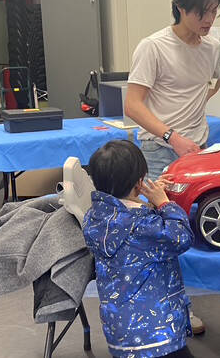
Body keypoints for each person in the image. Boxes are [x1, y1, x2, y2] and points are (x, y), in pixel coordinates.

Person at [124, 0, 220, 334]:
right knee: (158, 234)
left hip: (195, 151)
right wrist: (172, 134)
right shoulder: (153, 46)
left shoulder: (212, 47)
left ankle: (184, 302)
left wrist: (191, 127)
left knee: (188, 230)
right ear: (180, 7)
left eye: (214, 12)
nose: (209, 20)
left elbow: (211, 84)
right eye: (202, 12)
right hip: (158, 151)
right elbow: (132, 105)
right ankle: (167, 309)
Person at [82, 140, 195, 358]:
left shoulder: (94, 217)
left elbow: (125, 213)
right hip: (158, 332)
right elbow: (181, 236)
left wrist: (145, 200)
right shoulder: (143, 226)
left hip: (120, 331)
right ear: (139, 182)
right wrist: (164, 203)